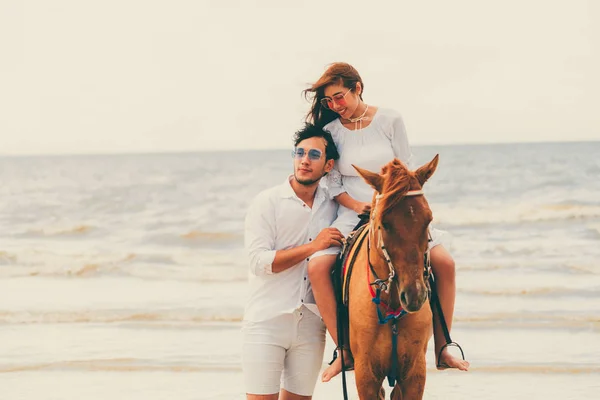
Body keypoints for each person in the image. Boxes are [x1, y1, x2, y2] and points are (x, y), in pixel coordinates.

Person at [303, 62, 470, 382]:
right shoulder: (330, 132)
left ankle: (443, 347)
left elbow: (405, 169)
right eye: (329, 101)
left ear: (357, 88)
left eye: (340, 97)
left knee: (443, 262)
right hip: (353, 211)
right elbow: (334, 184)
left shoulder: (390, 119)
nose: (336, 105)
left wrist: (406, 209)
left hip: (395, 209)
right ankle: (343, 350)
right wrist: (360, 205)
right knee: (318, 267)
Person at [242, 123, 346, 399]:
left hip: (311, 324)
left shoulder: (334, 205)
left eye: (314, 155)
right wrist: (313, 246)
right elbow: (258, 262)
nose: (304, 160)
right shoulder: (268, 202)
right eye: (299, 153)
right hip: (267, 320)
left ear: (328, 165)